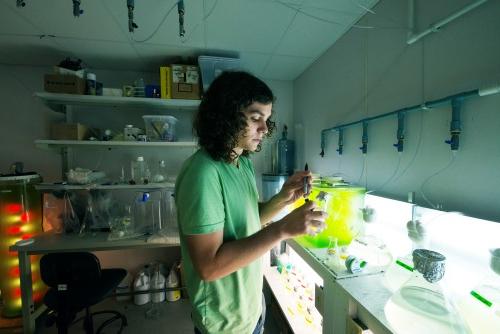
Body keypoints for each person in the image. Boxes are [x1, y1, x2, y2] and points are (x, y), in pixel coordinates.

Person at [175, 71, 327, 334]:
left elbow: (247, 221)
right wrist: (282, 229)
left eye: (267, 120)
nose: (265, 129)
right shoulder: (203, 173)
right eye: (256, 118)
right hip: (225, 324)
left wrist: (283, 199)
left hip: (250, 309)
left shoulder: (241, 163)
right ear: (226, 116)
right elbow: (209, 267)